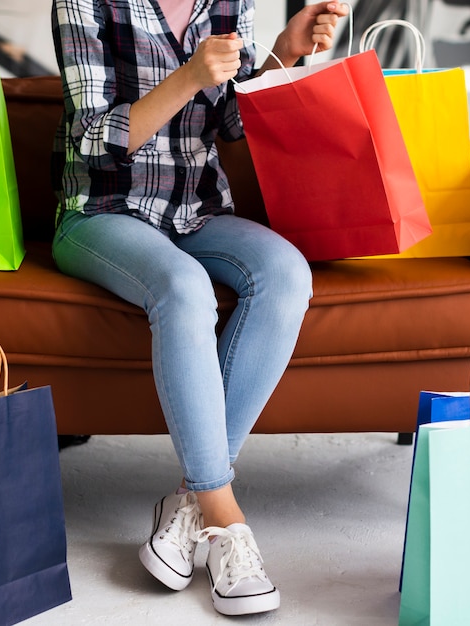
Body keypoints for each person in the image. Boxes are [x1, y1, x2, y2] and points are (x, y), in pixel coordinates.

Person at [51, 0, 348, 616]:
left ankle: (189, 499)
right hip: (101, 212)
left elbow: (232, 120)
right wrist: (186, 74)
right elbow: (94, 140)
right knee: (184, 289)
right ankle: (224, 518)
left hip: (200, 211)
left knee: (287, 274)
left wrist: (284, 52)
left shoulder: (229, 2)